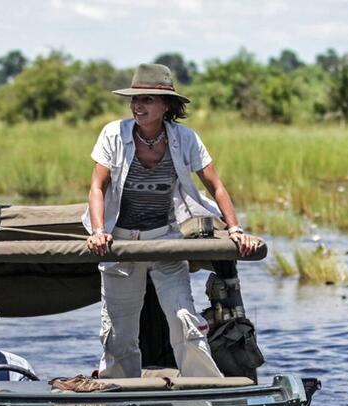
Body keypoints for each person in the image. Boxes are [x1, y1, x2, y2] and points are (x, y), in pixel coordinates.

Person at [85, 62, 262, 379]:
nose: (138, 106)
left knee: (184, 318)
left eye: (147, 100)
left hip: (165, 238)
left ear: (167, 105)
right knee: (119, 330)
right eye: (135, 100)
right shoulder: (114, 134)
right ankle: (117, 391)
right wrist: (99, 232)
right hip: (120, 241)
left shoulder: (185, 139)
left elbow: (216, 186)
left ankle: (204, 388)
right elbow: (97, 187)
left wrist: (235, 229)